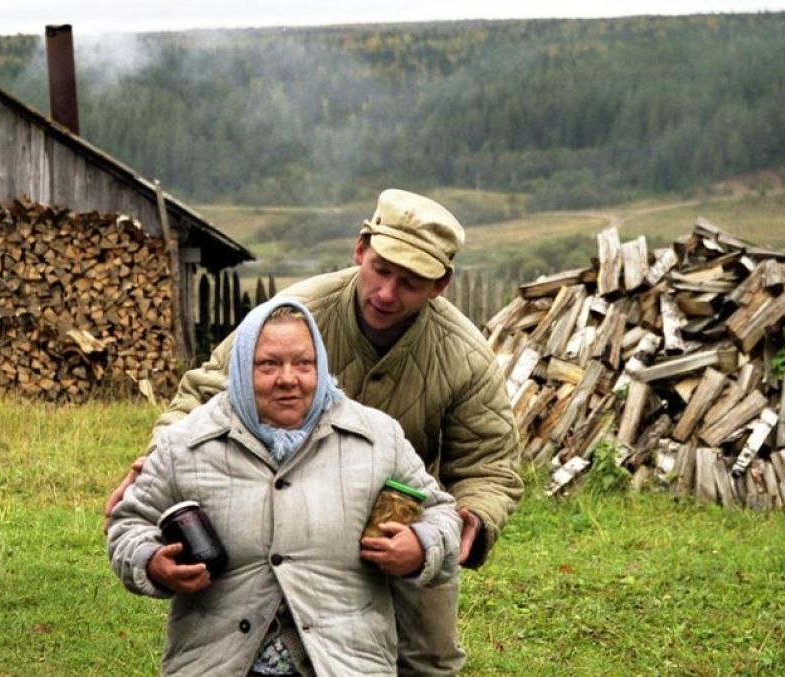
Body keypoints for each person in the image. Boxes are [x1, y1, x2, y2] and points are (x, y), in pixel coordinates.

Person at [106, 188, 524, 675]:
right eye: (382, 270)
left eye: (410, 282)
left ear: (441, 284)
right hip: (286, 497)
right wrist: (157, 461)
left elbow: (490, 464)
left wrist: (455, 528)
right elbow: (209, 390)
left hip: (400, 512)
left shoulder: (464, 355)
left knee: (429, 657)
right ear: (361, 248)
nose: (388, 293)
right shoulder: (295, 314)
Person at [107, 299, 460, 676]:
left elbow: (441, 512)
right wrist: (151, 563)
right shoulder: (187, 443)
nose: (288, 379)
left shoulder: (376, 437)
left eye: (304, 364)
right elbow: (128, 523)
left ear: (320, 366)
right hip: (218, 662)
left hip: (343, 663)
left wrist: (421, 546)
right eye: (268, 364)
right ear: (242, 369)